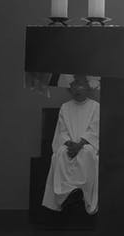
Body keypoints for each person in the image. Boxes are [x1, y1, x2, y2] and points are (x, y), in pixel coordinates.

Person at [41, 74, 99, 219]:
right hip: (69, 145)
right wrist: (69, 143)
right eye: (75, 85)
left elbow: (94, 130)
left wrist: (80, 144)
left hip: (85, 145)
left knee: (87, 154)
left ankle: (83, 194)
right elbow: (62, 131)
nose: (78, 88)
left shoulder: (95, 107)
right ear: (71, 88)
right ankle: (64, 196)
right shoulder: (65, 107)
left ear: (87, 87)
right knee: (60, 155)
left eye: (81, 85)